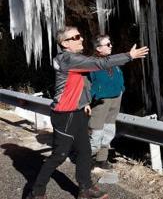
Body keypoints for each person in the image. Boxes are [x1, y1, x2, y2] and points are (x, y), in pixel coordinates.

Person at [27, 26, 149, 199]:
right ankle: (37, 192)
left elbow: (81, 81)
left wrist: (84, 102)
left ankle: (85, 189)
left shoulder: (75, 58)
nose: (81, 39)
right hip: (64, 114)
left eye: (80, 36)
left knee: (84, 152)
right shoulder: (68, 59)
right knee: (59, 155)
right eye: (76, 37)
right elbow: (100, 63)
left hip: (77, 111)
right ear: (65, 43)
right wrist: (129, 56)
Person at [88, 34, 125, 170]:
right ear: (98, 48)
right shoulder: (92, 63)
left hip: (116, 98)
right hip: (101, 100)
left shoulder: (111, 60)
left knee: (109, 130)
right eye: (108, 44)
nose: (111, 46)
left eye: (110, 43)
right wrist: (93, 96)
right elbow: (86, 83)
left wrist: (121, 88)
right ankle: (87, 159)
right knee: (96, 131)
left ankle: (101, 159)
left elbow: (118, 74)